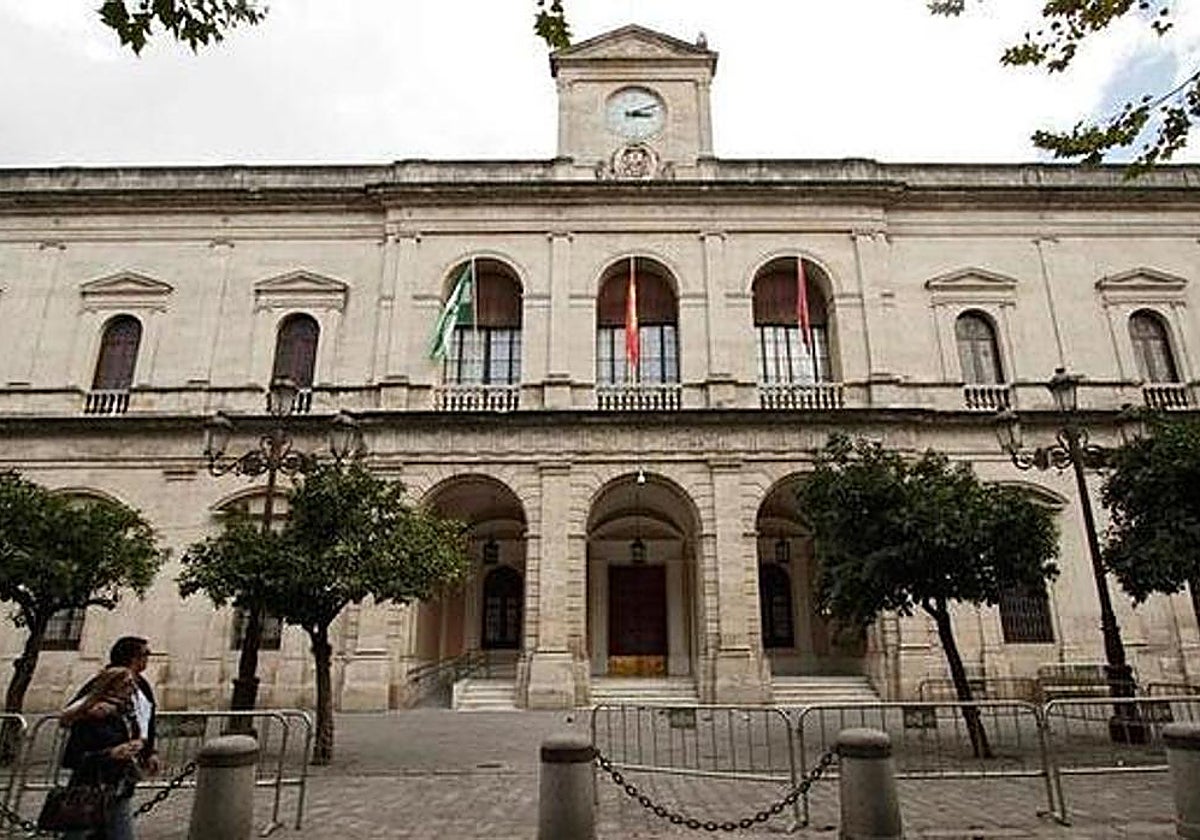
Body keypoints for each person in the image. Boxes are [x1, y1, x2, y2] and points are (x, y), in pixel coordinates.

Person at [59, 637, 161, 839]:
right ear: (133, 657)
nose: (131, 689)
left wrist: (148, 750)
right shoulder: (100, 694)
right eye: (145, 654)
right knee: (82, 829)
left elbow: (146, 722)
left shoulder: (138, 690)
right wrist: (110, 752)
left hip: (119, 777)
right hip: (93, 778)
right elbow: (70, 721)